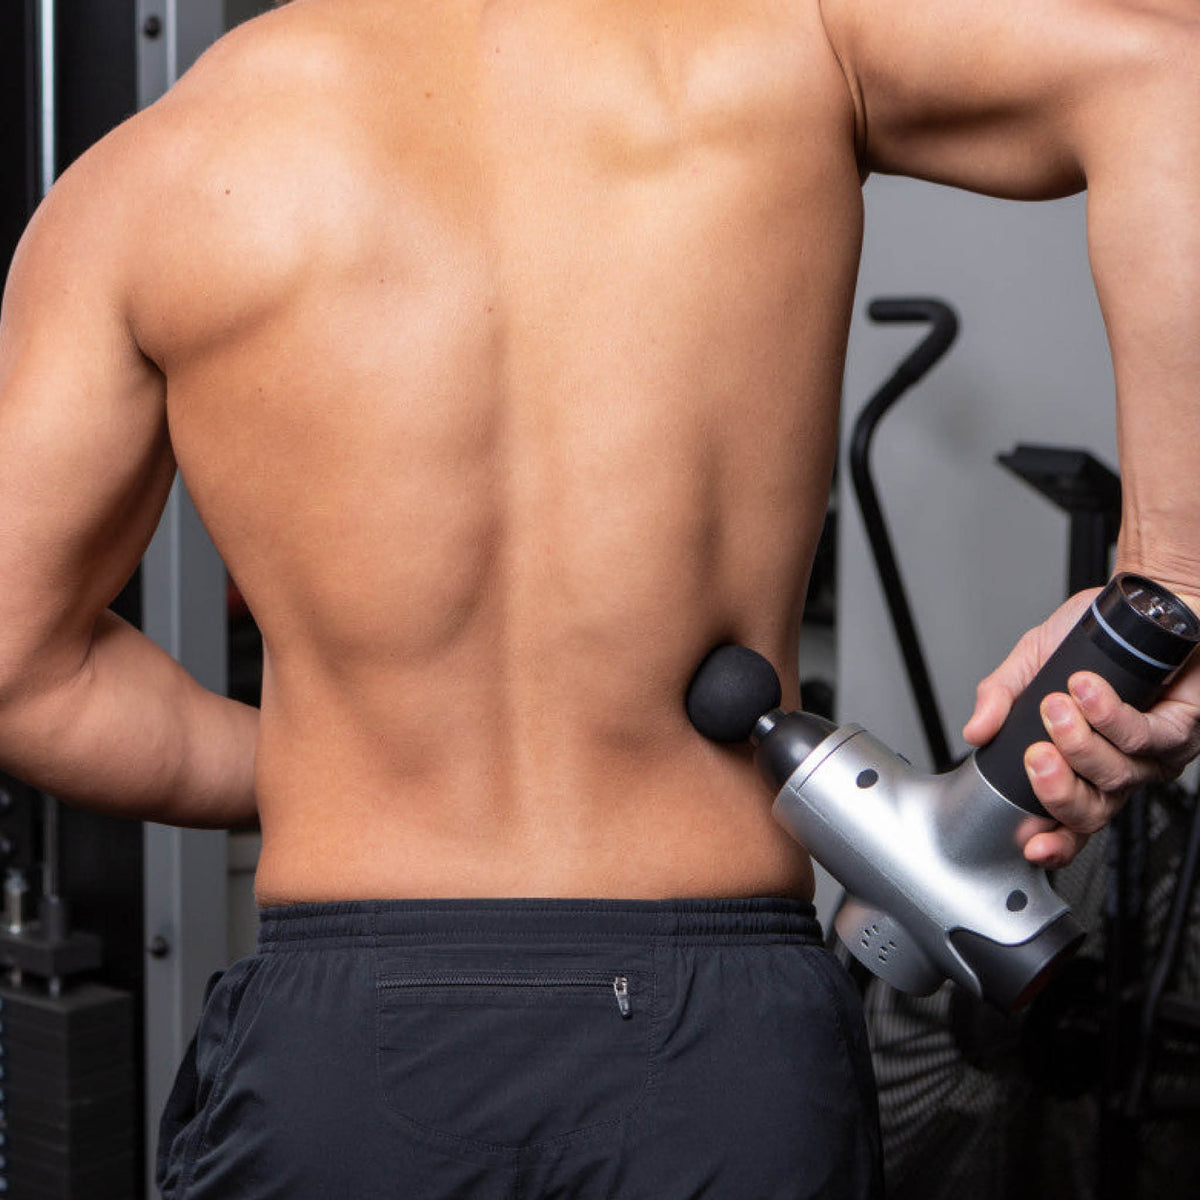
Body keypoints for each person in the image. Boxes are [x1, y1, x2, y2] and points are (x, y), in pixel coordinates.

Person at [1, 0, 1199, 1195]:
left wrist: (338, 756)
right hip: (720, 1054)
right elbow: (1169, 74)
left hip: (346, 1048)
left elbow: (23, 676)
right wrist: (1171, 579)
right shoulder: (786, 42)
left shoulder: (154, 174)